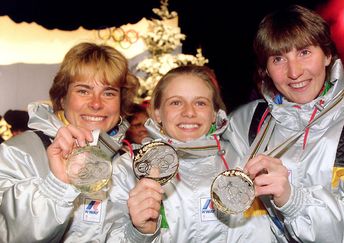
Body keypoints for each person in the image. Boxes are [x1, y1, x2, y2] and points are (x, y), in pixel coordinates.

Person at [223, 5, 344, 242]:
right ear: (266, 69)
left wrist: (294, 201)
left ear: (327, 55)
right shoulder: (242, 125)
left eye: (304, 53)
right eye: (278, 59)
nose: (294, 72)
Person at [109, 65, 279, 242]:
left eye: (200, 103)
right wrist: (139, 232)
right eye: (176, 102)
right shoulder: (130, 168)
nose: (189, 112)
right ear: (157, 113)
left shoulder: (245, 161)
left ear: (214, 113)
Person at [0, 42, 139, 242]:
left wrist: (141, 232)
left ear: (121, 102)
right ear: (63, 98)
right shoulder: (18, 153)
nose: (96, 103)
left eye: (109, 92)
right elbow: (9, 236)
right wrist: (57, 186)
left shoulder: (128, 163)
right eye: (83, 91)